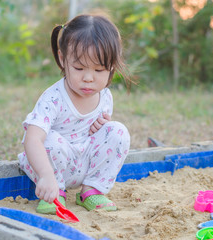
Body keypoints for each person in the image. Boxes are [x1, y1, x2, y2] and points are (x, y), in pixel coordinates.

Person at [18, 13, 132, 214]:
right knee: (49, 139)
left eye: (99, 70)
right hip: (51, 167)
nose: (88, 78)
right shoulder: (54, 98)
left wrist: (101, 130)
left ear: (112, 66)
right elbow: (32, 139)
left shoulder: (105, 96)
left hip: (82, 164)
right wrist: (46, 175)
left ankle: (91, 191)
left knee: (118, 131)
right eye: (79, 68)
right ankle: (56, 193)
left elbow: (100, 140)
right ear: (63, 60)